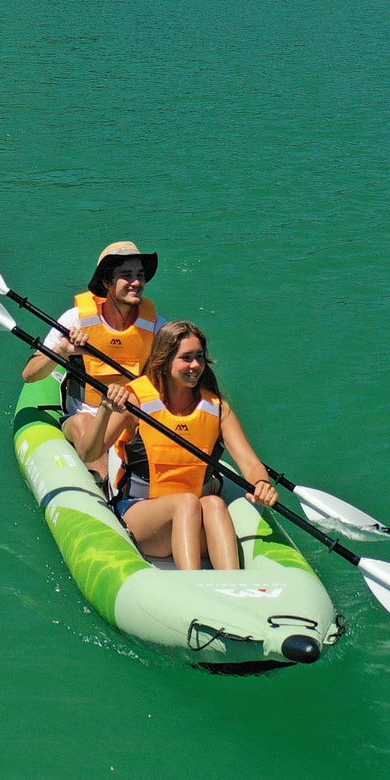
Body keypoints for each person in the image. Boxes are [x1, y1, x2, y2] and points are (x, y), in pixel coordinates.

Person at [79, 320, 280, 571]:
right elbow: (88, 453)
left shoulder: (217, 408)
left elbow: (250, 463)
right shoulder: (136, 400)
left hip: (195, 519)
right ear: (164, 361)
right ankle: (191, 580)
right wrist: (105, 410)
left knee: (214, 503)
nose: (195, 365)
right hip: (144, 517)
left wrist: (261, 483)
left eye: (199, 357)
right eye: (186, 358)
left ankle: (233, 580)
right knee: (186, 502)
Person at [20, 242, 161, 476]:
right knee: (83, 422)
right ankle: (106, 488)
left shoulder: (157, 327)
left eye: (140, 275)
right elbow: (30, 375)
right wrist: (63, 350)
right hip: (85, 414)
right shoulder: (75, 319)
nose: (136, 282)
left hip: (129, 414)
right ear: (107, 282)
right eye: (127, 275)